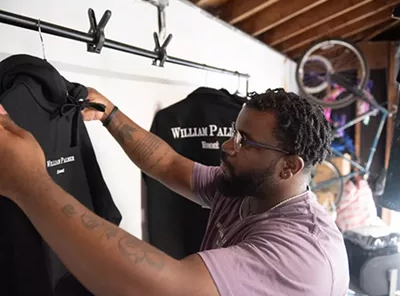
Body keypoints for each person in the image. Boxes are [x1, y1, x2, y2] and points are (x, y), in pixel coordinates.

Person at [0, 87, 349, 296]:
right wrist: (110, 115)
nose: (228, 145)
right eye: (234, 132)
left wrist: (27, 183)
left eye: (245, 142)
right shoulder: (245, 190)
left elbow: (166, 289)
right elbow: (167, 164)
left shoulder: (303, 251)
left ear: (290, 166)